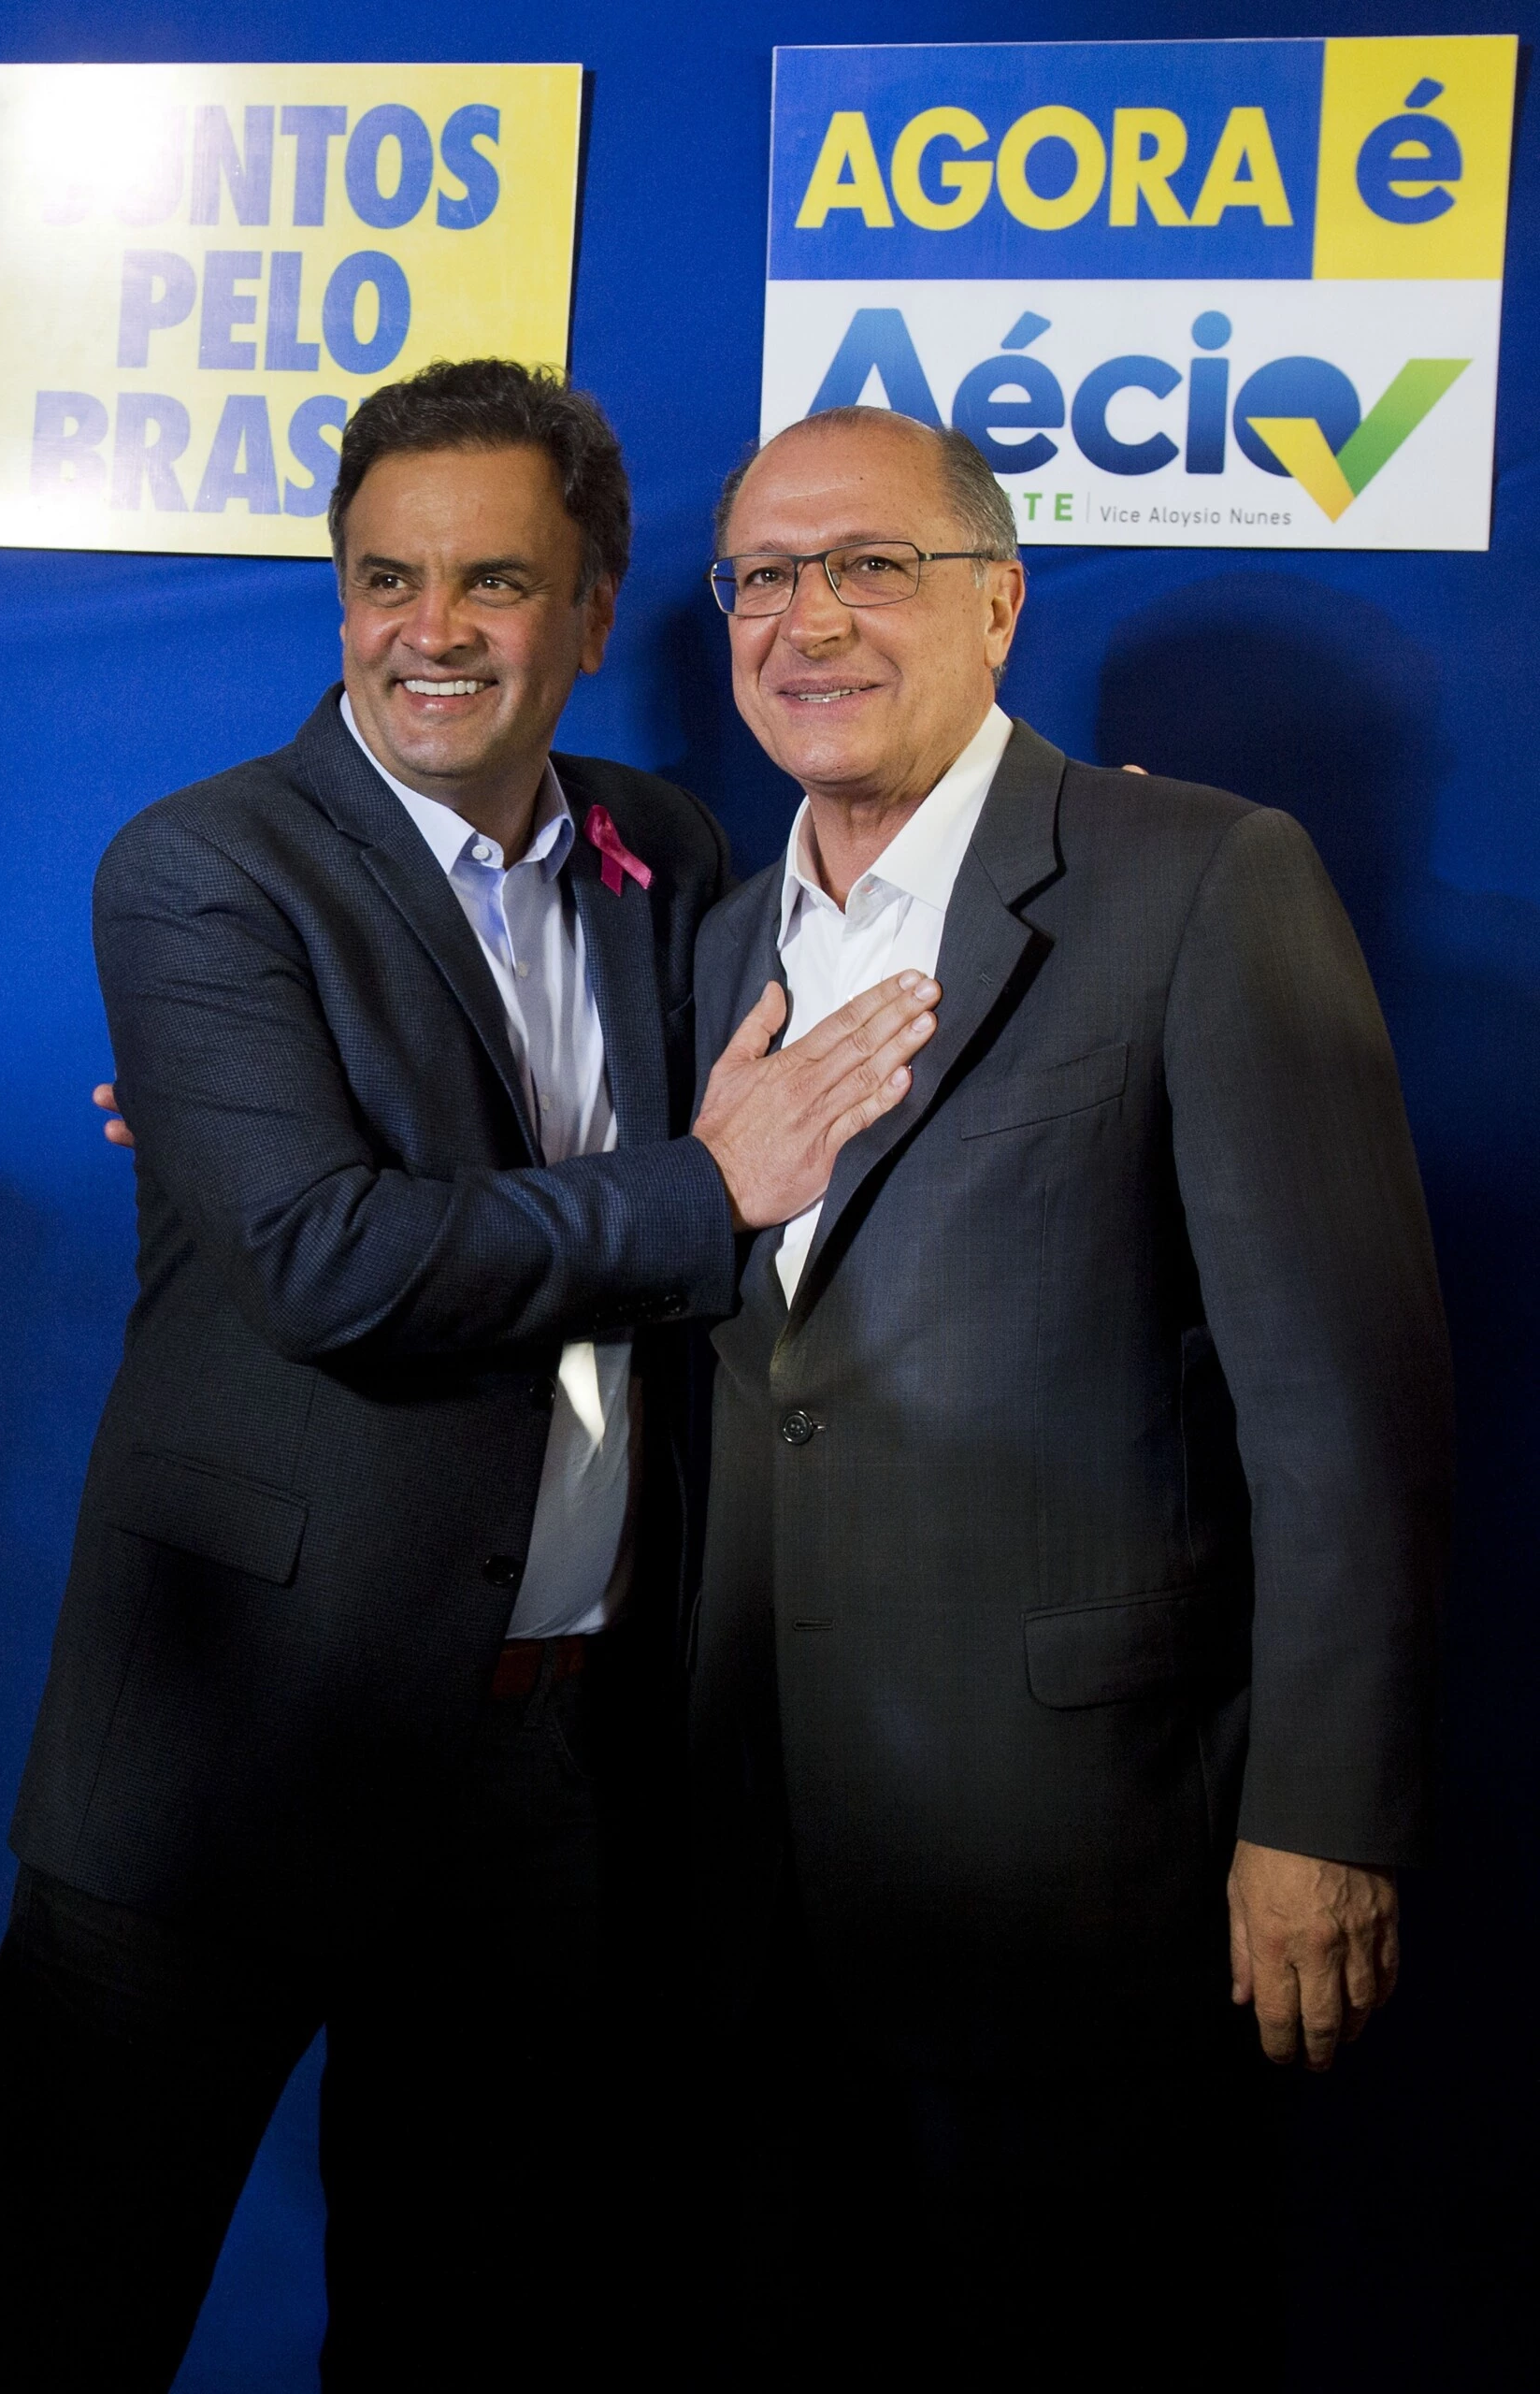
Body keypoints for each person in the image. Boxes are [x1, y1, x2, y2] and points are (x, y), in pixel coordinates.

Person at [0, 362, 941, 2393]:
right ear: (338, 598)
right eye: (386, 579)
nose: (432, 632)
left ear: (592, 609)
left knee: (468, 2332)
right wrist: (695, 1188)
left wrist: (369, 1163)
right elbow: (323, 1258)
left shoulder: (662, 845)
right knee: (59, 2327)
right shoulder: (206, 865)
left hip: (543, 1769)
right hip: (227, 1759)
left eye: (496, 581)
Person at [684, 405, 1453, 2377]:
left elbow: (1345, 1398)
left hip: (1086, 1877)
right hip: (752, 1883)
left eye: (875, 564)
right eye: (766, 574)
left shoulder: (1196, 877)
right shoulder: (706, 946)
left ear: (1000, 603)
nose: (812, 618)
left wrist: (1324, 1814)